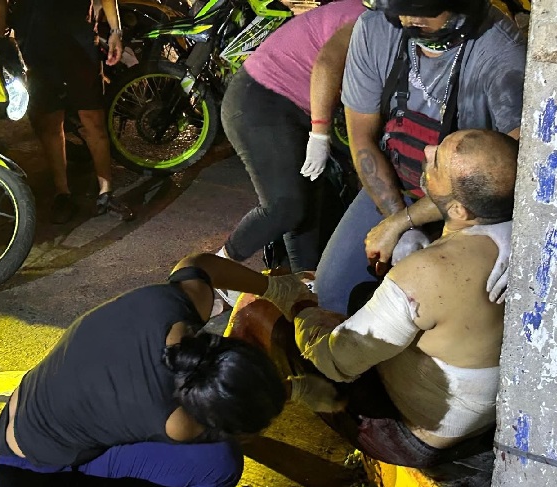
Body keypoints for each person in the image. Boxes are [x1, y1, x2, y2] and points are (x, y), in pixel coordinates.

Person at [230, 129, 519, 469]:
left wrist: (299, 305)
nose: (427, 150)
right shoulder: (517, 237)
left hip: (418, 437)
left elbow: (335, 362)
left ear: (459, 209)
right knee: (362, 297)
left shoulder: (426, 273)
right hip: (475, 420)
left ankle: (299, 399)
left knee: (274, 321)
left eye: (437, 162)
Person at [0, 252, 319, 486]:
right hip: (32, 470)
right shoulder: (174, 421)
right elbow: (237, 431)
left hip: (27, 413)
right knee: (218, 463)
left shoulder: (173, 304)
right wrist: (294, 389)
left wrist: (277, 288)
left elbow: (200, 264)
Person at [314, 0, 525, 315]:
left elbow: (505, 176)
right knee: (333, 294)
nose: (407, 18)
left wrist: (405, 222)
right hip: (397, 183)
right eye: (399, 8)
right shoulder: (375, 29)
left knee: (448, 309)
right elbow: (362, 138)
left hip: (471, 205)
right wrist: (396, 219)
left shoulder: (500, 50)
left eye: (422, 9)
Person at [216, 0, 367, 285]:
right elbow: (327, 64)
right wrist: (320, 134)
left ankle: (303, 285)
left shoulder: (384, 19)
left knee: (307, 204)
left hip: (293, 106)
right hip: (261, 98)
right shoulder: (367, 20)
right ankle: (214, 272)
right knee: (285, 206)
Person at [0, 0, 130, 224]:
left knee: (94, 119)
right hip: (36, 49)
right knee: (50, 123)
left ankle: (106, 192)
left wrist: (116, 31)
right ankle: (62, 193)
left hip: (81, 45)